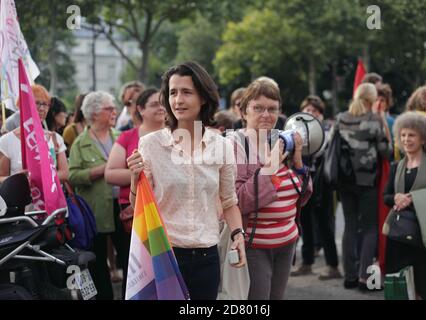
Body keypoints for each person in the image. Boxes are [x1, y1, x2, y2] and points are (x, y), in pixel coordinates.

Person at [126, 62, 246, 300]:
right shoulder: (151, 145)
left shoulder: (222, 146)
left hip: (207, 258)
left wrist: (238, 235)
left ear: (203, 97)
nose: (178, 99)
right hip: (163, 255)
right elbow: (138, 205)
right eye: (172, 92)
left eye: (186, 92)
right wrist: (133, 179)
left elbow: (229, 201)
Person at [228, 79, 312, 300]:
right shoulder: (234, 146)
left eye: (272, 109)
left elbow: (303, 196)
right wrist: (270, 168)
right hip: (254, 245)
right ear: (243, 111)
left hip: (287, 241)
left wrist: (299, 163)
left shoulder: (281, 141)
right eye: (258, 108)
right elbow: (237, 201)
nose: (266, 114)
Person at [68, 91, 129, 300]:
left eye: (114, 108)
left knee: (129, 254)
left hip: (121, 205)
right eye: (109, 108)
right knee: (98, 258)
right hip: (95, 209)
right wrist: (102, 170)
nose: (115, 112)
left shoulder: (120, 136)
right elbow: (72, 175)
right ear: (94, 114)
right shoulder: (80, 143)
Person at [383, 112, 426, 299]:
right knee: (402, 289)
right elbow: (385, 197)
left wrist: (413, 198)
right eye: (403, 135)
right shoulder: (396, 166)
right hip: (401, 236)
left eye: (411, 135)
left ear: (423, 139)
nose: (406, 139)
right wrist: (395, 197)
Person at [334, 83, 391, 290]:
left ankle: (349, 276)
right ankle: (364, 278)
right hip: (367, 181)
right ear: (372, 99)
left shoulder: (341, 118)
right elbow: (387, 151)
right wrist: (383, 120)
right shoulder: (373, 120)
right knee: (369, 228)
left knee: (349, 226)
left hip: (345, 180)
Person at [290, 95, 341, 280]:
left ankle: (333, 265)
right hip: (303, 181)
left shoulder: (327, 132)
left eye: (313, 111)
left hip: (322, 184)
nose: (309, 114)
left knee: (324, 224)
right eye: (306, 110)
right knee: (305, 223)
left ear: (320, 114)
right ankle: (307, 262)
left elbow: (319, 151)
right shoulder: (296, 132)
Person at [105, 87, 166, 221]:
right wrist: (143, 174)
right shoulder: (127, 137)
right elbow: (110, 174)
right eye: (155, 104)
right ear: (140, 109)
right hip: (135, 208)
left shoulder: (176, 136)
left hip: (168, 207)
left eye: (163, 103)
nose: (161, 108)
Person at [0, 84, 68, 184]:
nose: (42, 109)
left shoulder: (55, 138)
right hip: (20, 198)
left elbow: (65, 173)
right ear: (23, 106)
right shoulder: (7, 141)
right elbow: (1, 177)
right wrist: (18, 178)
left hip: (49, 199)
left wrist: (42, 177)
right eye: (36, 103)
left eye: (45, 104)